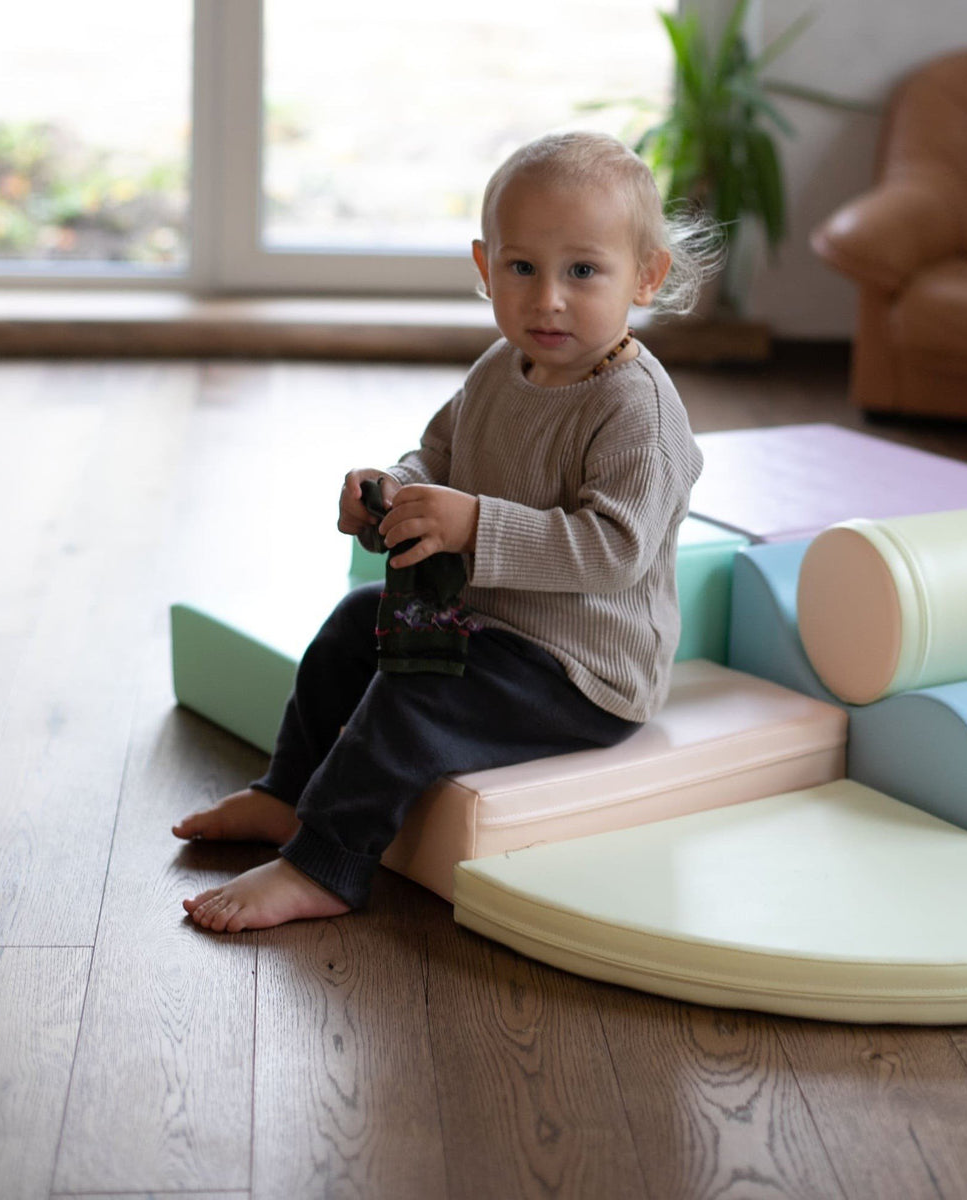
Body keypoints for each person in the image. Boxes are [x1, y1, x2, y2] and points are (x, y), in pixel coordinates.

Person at [174, 131, 718, 932]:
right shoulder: (499, 367)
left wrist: (474, 525)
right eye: (521, 268)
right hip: (491, 624)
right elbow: (436, 457)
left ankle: (326, 865)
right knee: (355, 625)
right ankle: (286, 793)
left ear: (646, 276)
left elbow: (614, 553)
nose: (548, 300)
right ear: (483, 266)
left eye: (583, 271)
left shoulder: (636, 409)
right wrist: (392, 492)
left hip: (580, 668)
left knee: (420, 690)